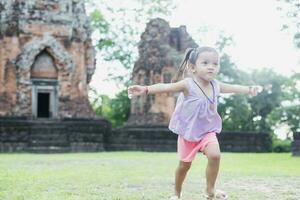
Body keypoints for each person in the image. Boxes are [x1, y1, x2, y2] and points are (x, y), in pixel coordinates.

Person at [127, 46, 260, 200]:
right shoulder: (188, 84)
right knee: (184, 166)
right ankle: (176, 193)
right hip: (188, 133)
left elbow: (233, 88)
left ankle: (210, 191)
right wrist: (145, 89)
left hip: (207, 131)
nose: (211, 66)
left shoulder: (216, 86)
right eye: (205, 63)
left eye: (215, 64)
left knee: (215, 156)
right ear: (192, 67)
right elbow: (166, 86)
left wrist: (249, 89)